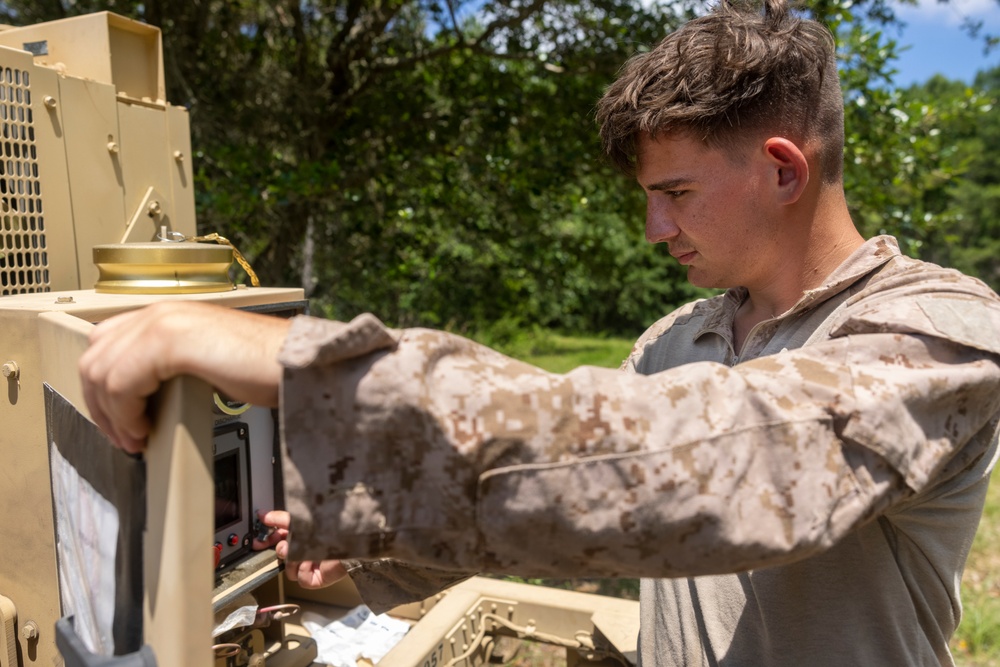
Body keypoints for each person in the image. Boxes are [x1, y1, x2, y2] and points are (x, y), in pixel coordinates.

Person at [79, 0, 1000, 664]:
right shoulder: (678, 337)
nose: (653, 229)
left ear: (785, 170)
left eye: (674, 193)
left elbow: (694, 465)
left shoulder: (937, 335)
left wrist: (288, 355)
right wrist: (376, 541)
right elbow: (577, 497)